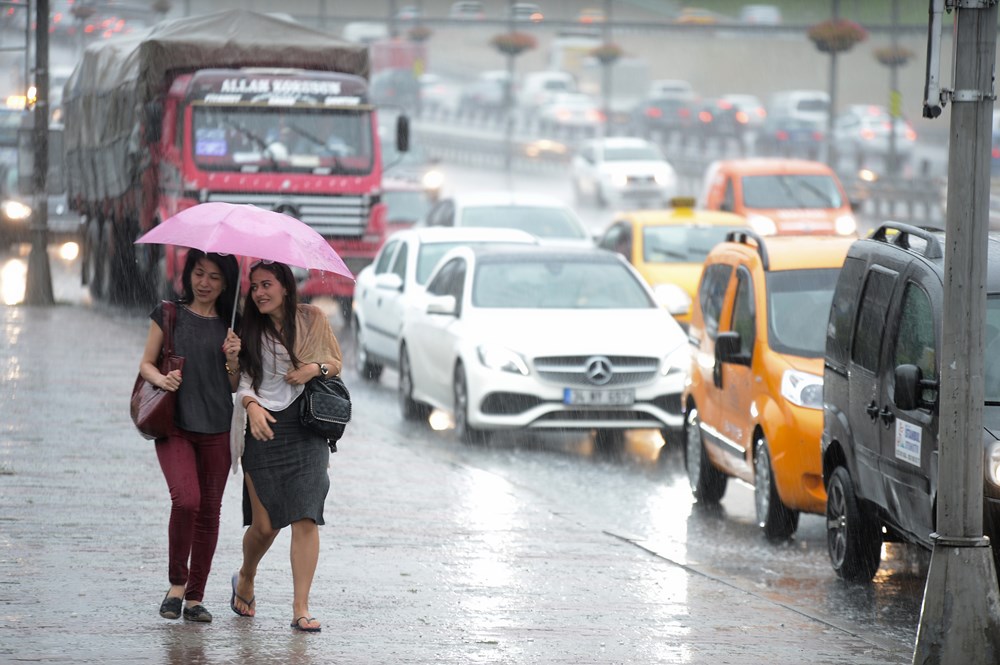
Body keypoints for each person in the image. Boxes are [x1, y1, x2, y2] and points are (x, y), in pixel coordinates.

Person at [229, 260, 343, 633]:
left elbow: (335, 363)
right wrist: (250, 403)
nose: (259, 292)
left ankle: (301, 608)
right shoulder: (245, 326)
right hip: (262, 425)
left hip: (305, 425)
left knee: (306, 514)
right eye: (255, 286)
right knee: (264, 526)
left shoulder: (311, 318)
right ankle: (246, 575)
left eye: (267, 285)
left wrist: (313, 369)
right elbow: (241, 382)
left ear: (285, 287)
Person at [138, 249, 242, 623]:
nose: (205, 282)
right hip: (175, 425)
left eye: (215, 277)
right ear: (189, 275)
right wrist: (162, 379)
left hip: (218, 429)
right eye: (199, 273)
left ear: (226, 283)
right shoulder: (169, 313)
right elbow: (146, 363)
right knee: (187, 501)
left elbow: (233, 385)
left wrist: (233, 357)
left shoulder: (234, 325)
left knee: (209, 513)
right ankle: (176, 585)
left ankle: (195, 597)